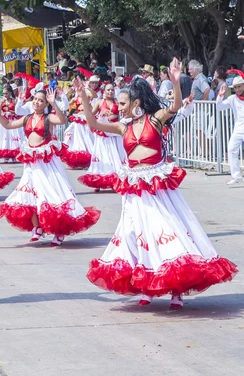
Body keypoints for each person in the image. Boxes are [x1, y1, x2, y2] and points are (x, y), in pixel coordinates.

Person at [86, 59, 237, 309]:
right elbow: (93, 124)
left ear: (135, 103)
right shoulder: (122, 127)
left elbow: (176, 105)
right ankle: (147, 286)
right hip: (134, 190)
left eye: (123, 103)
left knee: (166, 234)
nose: (119, 108)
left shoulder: (155, 119)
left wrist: (176, 81)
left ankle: (176, 289)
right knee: (136, 235)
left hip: (156, 187)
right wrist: (83, 98)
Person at [0, 87, 100, 245]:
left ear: (45, 104)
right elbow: (8, 125)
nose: (37, 102)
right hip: (31, 163)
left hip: (47, 163)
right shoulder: (26, 118)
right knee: (29, 195)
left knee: (52, 195)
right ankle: (37, 227)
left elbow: (63, 120)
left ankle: (59, 231)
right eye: (35, 99)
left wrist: (54, 104)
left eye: (41, 101)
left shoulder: (49, 118)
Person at [78, 83, 126, 192]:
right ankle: (98, 181)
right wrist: (101, 115)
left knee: (114, 156)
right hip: (102, 133)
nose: (110, 92)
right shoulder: (99, 102)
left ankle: (115, 180)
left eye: (112, 90)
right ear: (104, 91)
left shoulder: (118, 103)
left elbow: (122, 115)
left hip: (114, 133)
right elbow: (90, 115)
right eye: (108, 90)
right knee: (102, 156)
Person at [216, 72, 244, 185]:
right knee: (231, 149)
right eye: (235, 87)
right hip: (238, 129)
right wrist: (220, 95)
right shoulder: (232, 98)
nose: (237, 89)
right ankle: (236, 176)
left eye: (239, 86)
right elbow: (219, 107)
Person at [0, 84, 25, 161]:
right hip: (5, 122)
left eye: (6, 93)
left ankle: (15, 155)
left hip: (13, 121)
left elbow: (18, 112)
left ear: (10, 92)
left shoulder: (14, 101)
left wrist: (10, 111)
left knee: (14, 138)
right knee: (5, 138)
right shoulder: (2, 101)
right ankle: (6, 155)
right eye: (3, 93)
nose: (5, 95)